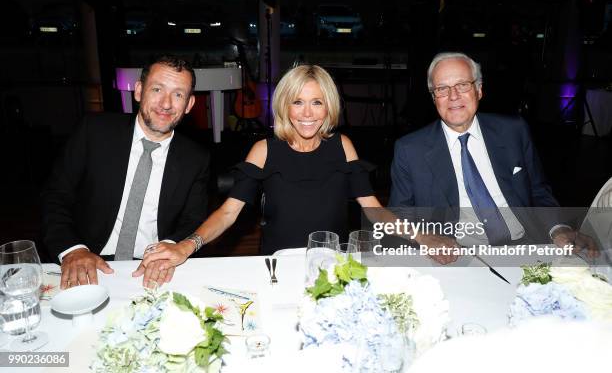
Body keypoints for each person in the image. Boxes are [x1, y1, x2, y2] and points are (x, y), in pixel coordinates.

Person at [138, 64, 382, 269]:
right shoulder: (265, 150)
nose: (307, 113)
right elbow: (228, 213)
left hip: (332, 265)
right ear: (285, 106)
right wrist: (186, 245)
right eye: (298, 102)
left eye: (317, 102)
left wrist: (418, 236)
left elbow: (373, 209)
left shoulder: (343, 146)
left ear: (329, 106)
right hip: (277, 265)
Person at [389, 52, 598, 263]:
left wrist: (558, 229)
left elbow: (538, 190)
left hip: (526, 245)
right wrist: (424, 237)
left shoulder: (513, 131)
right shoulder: (410, 150)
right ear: (434, 98)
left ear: (479, 90)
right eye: (442, 89)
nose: (453, 96)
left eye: (463, 85)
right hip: (459, 254)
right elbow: (399, 214)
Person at [42, 55, 209, 289]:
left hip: (152, 267)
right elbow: (56, 196)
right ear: (139, 91)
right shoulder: (94, 132)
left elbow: (193, 218)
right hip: (88, 259)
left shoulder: (196, 158)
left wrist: (170, 247)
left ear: (189, 104)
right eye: (157, 89)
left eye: (178, 94)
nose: (166, 104)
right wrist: (73, 249)